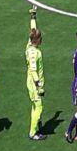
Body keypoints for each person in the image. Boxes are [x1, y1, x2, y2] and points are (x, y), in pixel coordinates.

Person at [26, 8, 46, 141]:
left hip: (33, 83)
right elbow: (33, 71)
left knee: (36, 105)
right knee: (38, 106)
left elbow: (33, 30)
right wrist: (39, 86)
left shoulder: (29, 45)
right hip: (34, 84)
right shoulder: (34, 53)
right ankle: (33, 132)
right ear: (37, 40)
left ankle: (36, 124)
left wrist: (33, 16)